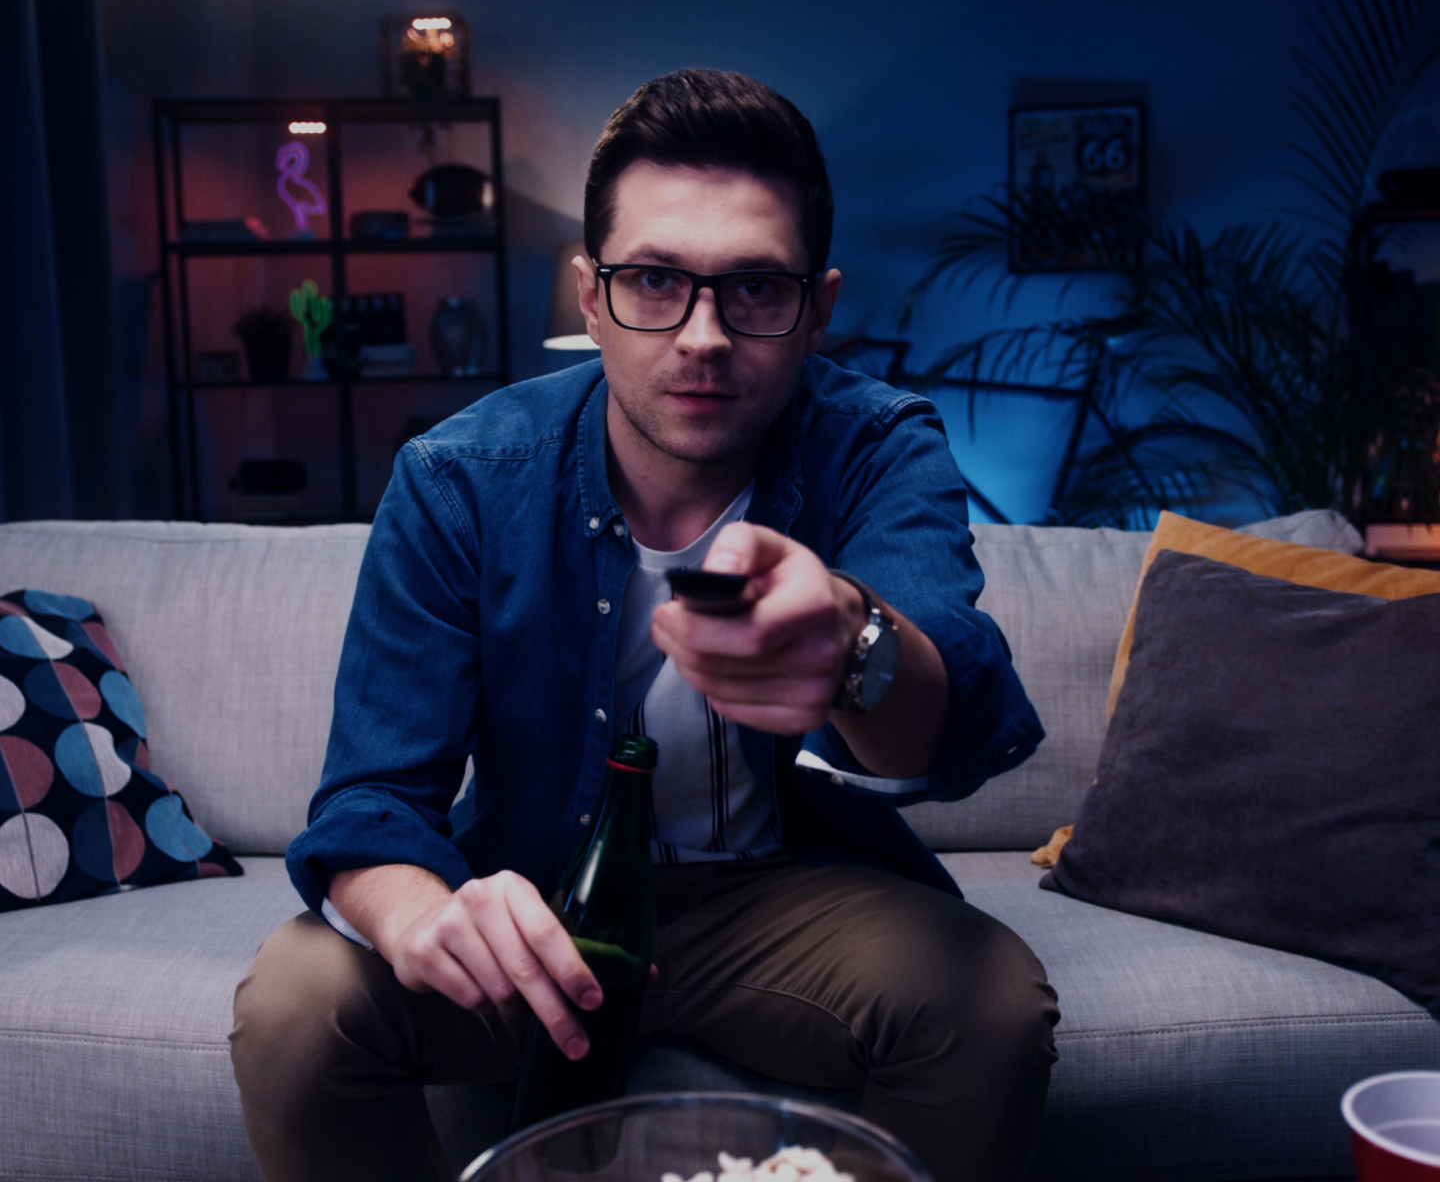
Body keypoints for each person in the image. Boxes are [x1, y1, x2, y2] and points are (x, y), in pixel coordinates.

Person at [230, 68, 1059, 1182]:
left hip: (778, 891)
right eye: (656, 280)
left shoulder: (877, 445)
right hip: (538, 889)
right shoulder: (459, 478)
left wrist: (852, 646)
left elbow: (941, 716)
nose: (704, 336)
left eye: (756, 288)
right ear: (591, 293)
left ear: (819, 305)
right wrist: (422, 913)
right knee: (297, 1003)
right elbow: (370, 798)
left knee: (989, 1001)